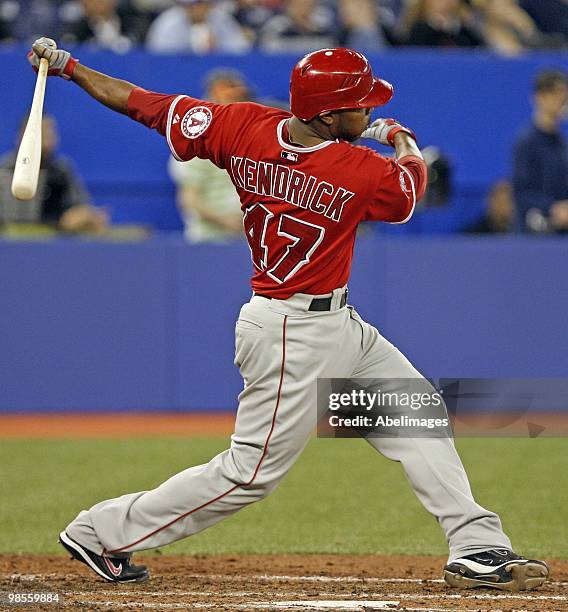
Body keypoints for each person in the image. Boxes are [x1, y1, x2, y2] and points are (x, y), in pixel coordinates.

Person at [28, 37, 548, 592]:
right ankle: (100, 531)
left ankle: (475, 545)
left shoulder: (244, 125)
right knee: (248, 474)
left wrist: (71, 68)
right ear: (327, 114)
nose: (369, 108)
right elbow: (409, 189)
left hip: (333, 324)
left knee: (414, 414)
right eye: (360, 103)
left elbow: (144, 104)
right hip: (289, 332)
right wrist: (401, 138)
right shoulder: (356, 168)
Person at [168, 69, 250, 242]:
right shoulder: (195, 140)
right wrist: (225, 221)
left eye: (240, 98)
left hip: (252, 239)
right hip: (209, 241)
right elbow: (188, 199)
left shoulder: (253, 138)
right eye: (230, 96)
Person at [0, 114, 108, 234]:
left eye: (51, 131)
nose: (48, 136)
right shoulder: (3, 169)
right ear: (22, 136)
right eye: (42, 131)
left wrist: (85, 217)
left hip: (51, 245)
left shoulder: (62, 171)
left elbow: (81, 209)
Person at [512, 70, 568, 233]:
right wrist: (553, 208)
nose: (561, 101)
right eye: (556, 94)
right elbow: (521, 192)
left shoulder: (562, 143)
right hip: (534, 235)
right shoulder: (526, 142)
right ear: (540, 97)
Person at [145, 0, 250, 54]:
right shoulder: (169, 20)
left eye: (203, 4)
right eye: (195, 5)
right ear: (186, 6)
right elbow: (158, 51)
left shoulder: (220, 18)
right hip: (178, 69)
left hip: (215, 68)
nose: (199, 9)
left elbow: (241, 48)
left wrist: (219, 46)